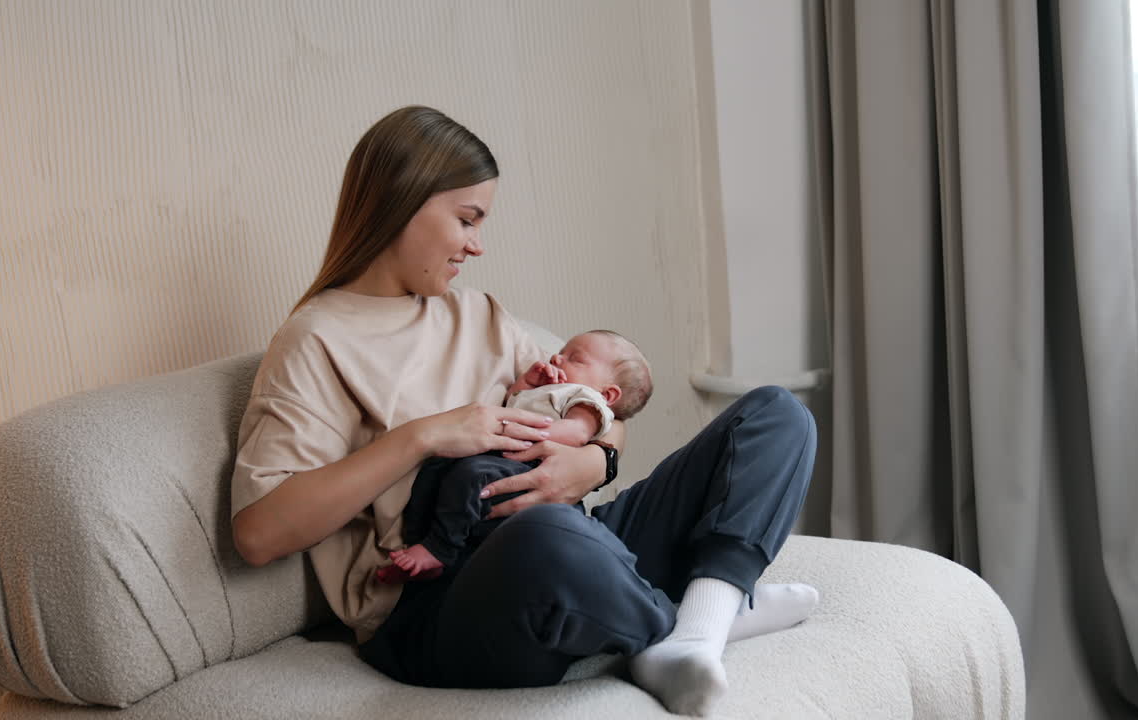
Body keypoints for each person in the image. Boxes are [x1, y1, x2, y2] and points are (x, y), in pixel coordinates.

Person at [230, 105, 820, 717]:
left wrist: (594, 462)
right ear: (402, 203)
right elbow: (259, 533)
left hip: (577, 539)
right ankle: (703, 615)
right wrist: (422, 437)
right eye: (467, 219)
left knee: (776, 415)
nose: (478, 245)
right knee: (547, 536)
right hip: (439, 602)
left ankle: (700, 624)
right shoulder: (316, 340)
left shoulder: (479, 314)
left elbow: (598, 405)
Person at [381, 329, 654, 582]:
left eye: (575, 359)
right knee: (435, 467)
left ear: (607, 394)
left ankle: (440, 548)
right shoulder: (550, 388)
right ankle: (421, 542)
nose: (557, 357)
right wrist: (528, 382)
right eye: (562, 351)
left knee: (472, 476)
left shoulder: (586, 400)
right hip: (502, 456)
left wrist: (517, 430)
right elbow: (513, 399)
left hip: (531, 466)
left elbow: (577, 433)